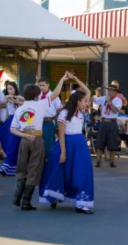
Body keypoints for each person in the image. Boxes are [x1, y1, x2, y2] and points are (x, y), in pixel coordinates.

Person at [10, 72, 69, 211]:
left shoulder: (20, 109)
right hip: (37, 138)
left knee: (22, 167)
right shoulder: (41, 104)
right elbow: (55, 93)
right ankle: (26, 201)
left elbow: (13, 129)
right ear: (37, 95)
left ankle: (17, 195)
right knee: (34, 168)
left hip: (24, 139)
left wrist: (24, 135)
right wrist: (62, 79)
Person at [39, 74, 94, 214]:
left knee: (81, 171)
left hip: (80, 145)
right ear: (77, 101)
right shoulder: (64, 114)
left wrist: (75, 79)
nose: (86, 103)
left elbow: (88, 91)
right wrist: (63, 152)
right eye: (83, 101)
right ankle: (55, 197)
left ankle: (80, 202)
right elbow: (61, 134)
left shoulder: (80, 112)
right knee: (61, 171)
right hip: (66, 144)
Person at [0, 82, 24, 176]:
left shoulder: (19, 98)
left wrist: (15, 100)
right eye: (8, 89)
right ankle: (11, 167)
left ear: (15, 89)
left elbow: (25, 103)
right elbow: (8, 113)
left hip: (17, 123)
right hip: (9, 122)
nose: (9, 90)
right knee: (7, 142)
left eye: (11, 88)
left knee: (13, 144)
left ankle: (6, 166)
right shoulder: (7, 100)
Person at [93, 85, 123, 168]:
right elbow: (94, 100)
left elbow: (115, 110)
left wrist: (109, 102)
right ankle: (98, 161)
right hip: (103, 122)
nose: (109, 92)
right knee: (100, 142)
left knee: (113, 143)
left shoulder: (118, 100)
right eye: (109, 90)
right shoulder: (104, 98)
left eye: (111, 91)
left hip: (112, 123)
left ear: (116, 92)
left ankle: (112, 161)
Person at [38, 77, 63, 158]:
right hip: (39, 122)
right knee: (39, 144)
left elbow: (60, 109)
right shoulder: (38, 96)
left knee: (49, 145)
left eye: (43, 85)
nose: (41, 87)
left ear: (48, 85)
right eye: (40, 85)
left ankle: (50, 162)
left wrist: (55, 119)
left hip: (49, 122)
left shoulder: (53, 96)